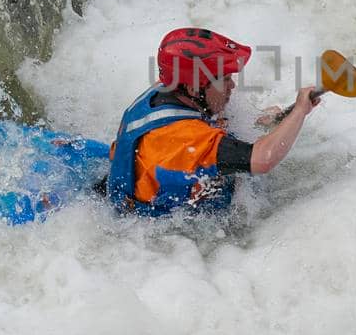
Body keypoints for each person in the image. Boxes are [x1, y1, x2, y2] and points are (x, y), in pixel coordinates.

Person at [99, 27, 320, 216]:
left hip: (129, 178)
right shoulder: (186, 138)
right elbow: (262, 160)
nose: (232, 86)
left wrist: (268, 119)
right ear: (195, 87)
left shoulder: (170, 87)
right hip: (152, 222)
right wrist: (300, 111)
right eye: (224, 80)